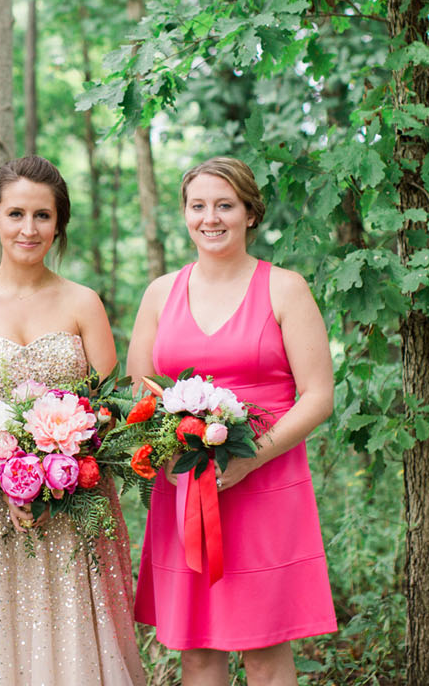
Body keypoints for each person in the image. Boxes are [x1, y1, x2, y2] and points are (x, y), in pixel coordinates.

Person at [0, 156, 144, 686]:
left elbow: (107, 410)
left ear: (59, 223)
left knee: (70, 637)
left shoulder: (84, 303)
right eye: (16, 213)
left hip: (72, 502)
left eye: (43, 215)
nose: (29, 228)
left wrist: (55, 467)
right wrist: (4, 465)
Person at [128, 156, 337, 686]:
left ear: (250, 212)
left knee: (265, 649)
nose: (211, 218)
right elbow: (139, 391)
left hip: (266, 484)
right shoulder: (160, 293)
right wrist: (166, 447)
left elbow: (318, 396)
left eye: (225, 205)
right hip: (183, 487)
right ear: (185, 214)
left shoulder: (285, 288)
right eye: (198, 206)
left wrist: (250, 458)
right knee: (197, 650)